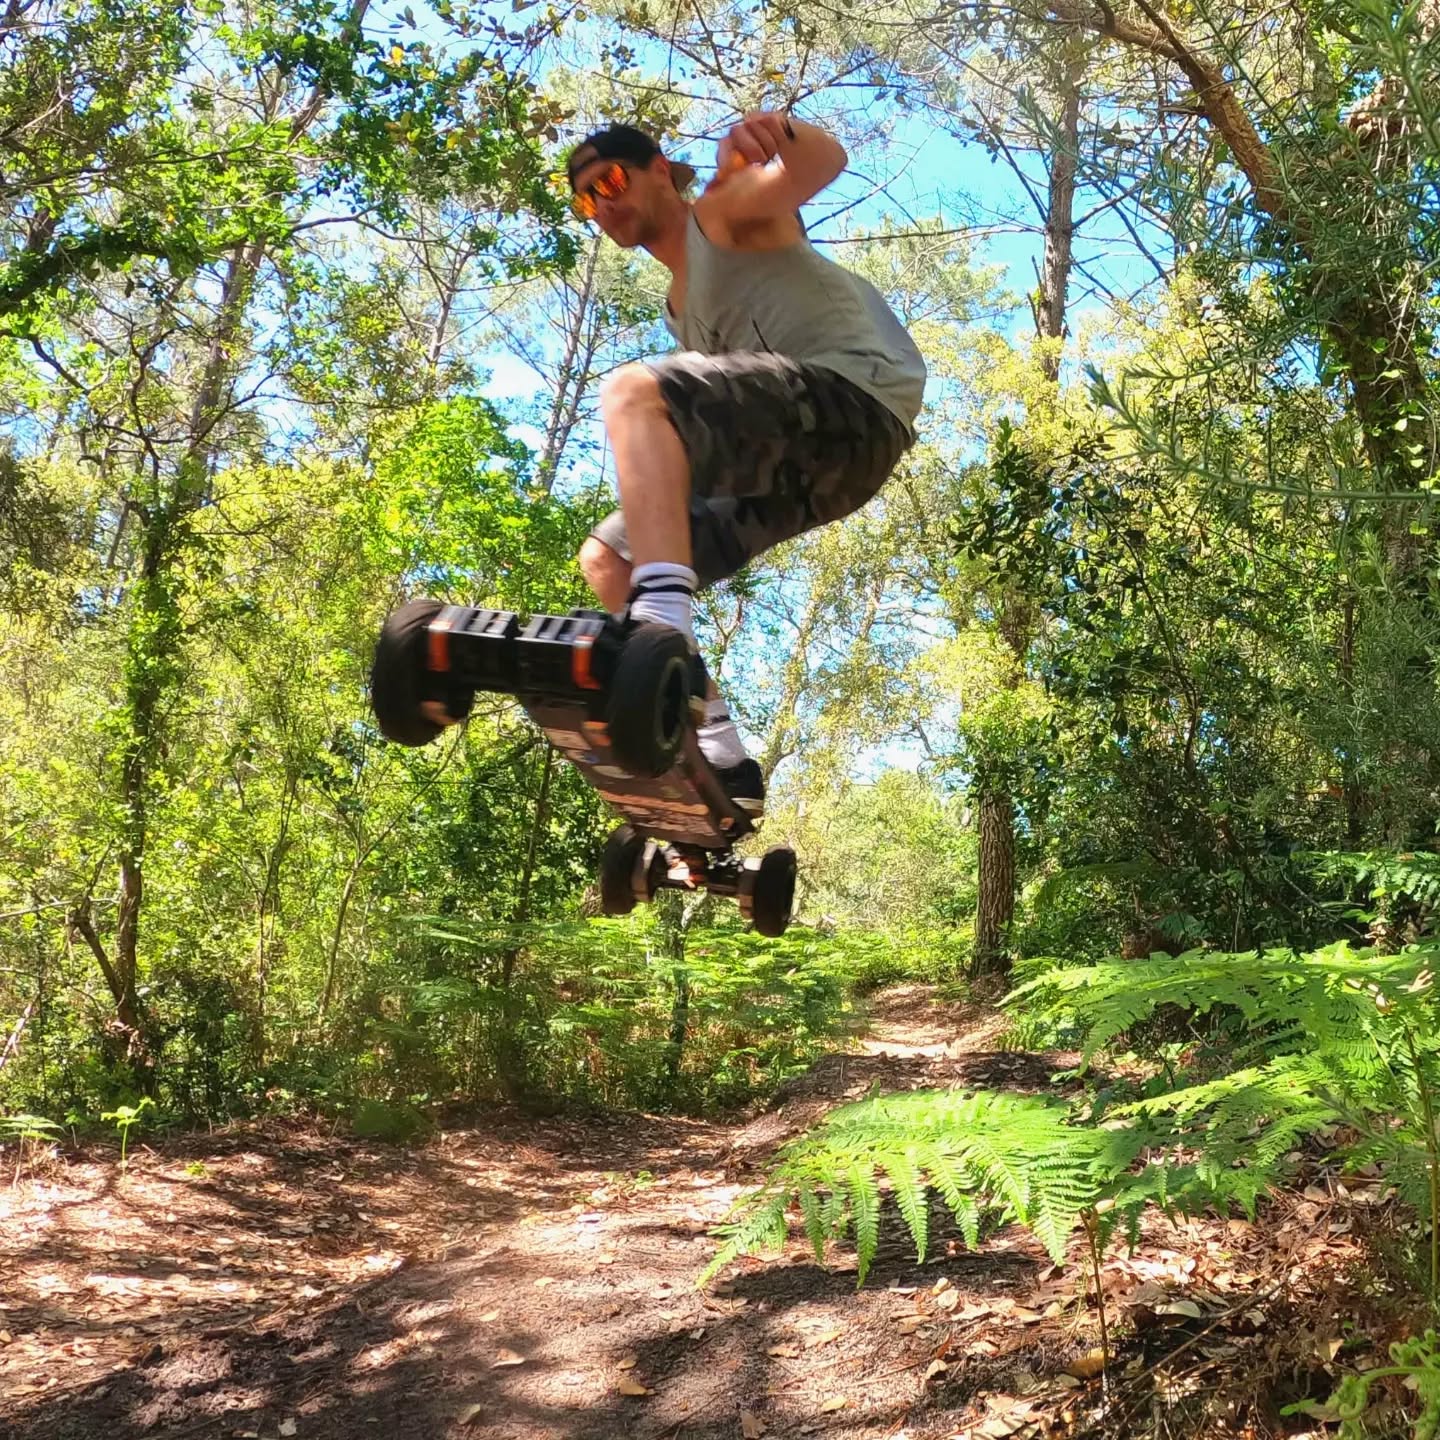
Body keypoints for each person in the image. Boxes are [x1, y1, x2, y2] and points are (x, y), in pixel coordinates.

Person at [567, 114, 926, 814]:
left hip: (854, 407)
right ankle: (719, 749)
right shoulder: (679, 306)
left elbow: (823, 160)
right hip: (803, 471)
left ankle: (663, 629)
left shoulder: (720, 216)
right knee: (609, 559)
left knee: (636, 390)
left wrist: (775, 133)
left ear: (659, 169)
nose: (602, 204)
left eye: (610, 180)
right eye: (587, 200)